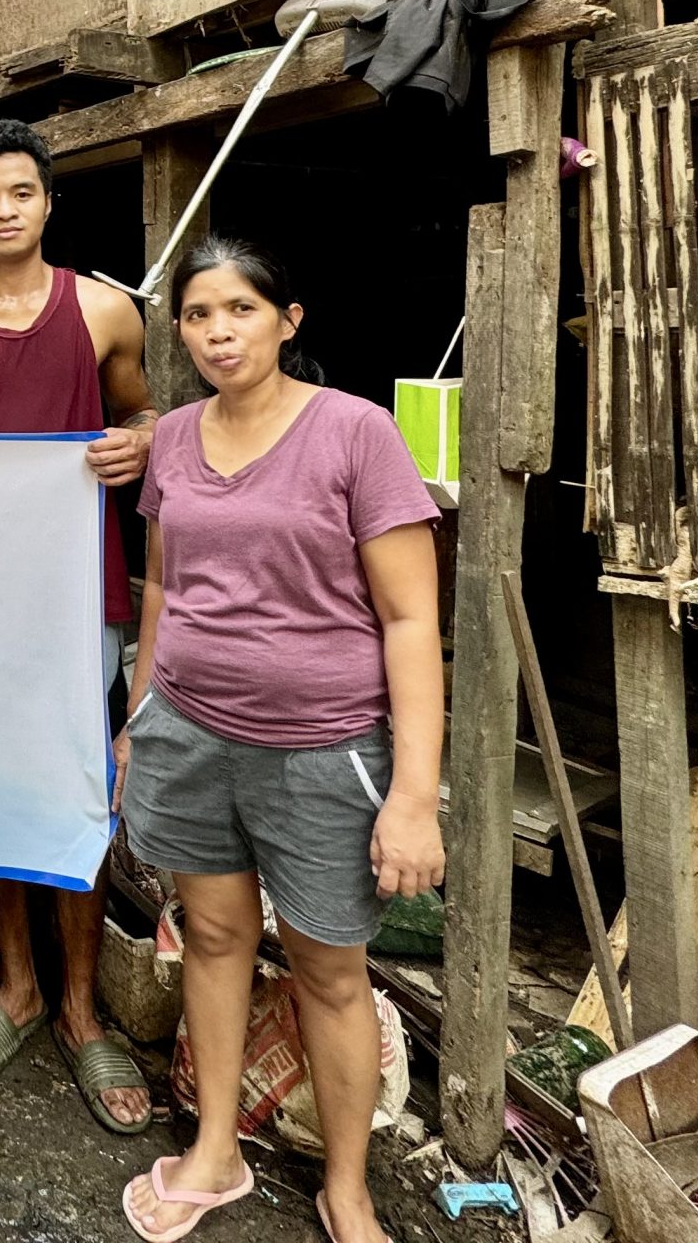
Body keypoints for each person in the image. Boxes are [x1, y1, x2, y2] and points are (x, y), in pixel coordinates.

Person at [116, 238, 443, 1243]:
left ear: (287, 321)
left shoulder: (356, 433)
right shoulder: (171, 438)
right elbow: (164, 588)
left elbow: (410, 621)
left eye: (241, 311)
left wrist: (414, 796)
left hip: (320, 750)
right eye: (199, 314)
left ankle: (346, 1186)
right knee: (212, 938)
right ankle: (214, 1149)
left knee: (329, 972)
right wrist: (137, 720)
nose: (219, 332)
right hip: (187, 732)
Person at [0, 117, 157, 1133]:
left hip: (73, 593)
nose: (4, 211)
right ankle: (17, 983)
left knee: (76, 790)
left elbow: (146, 419)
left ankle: (82, 1007)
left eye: (21, 193)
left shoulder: (103, 313)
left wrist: (135, 446)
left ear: (48, 204)